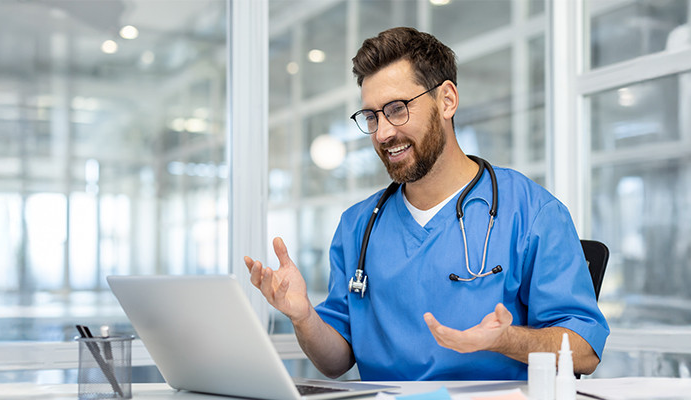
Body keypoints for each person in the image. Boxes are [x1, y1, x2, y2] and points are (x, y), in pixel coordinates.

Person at [242, 27, 608, 381]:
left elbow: (585, 351)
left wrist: (507, 340)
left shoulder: (530, 213)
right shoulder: (357, 226)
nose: (383, 132)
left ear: (447, 100)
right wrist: (304, 316)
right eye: (372, 116)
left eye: (397, 108)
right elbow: (335, 361)